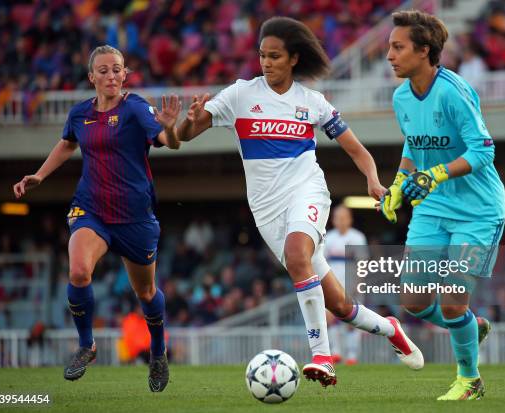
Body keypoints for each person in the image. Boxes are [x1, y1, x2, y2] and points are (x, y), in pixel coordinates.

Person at [177, 16, 423, 387]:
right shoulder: (240, 95)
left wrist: (373, 179)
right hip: (267, 211)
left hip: (307, 192)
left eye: (274, 56)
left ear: (293, 58)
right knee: (340, 306)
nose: (266, 62)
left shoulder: (312, 103)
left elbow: (357, 150)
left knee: (297, 256)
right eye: (262, 55)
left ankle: (322, 358)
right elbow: (185, 135)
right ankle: (391, 329)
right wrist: (184, 122)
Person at [13, 45, 181, 392]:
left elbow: (169, 140)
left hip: (135, 217)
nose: (111, 76)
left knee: (146, 292)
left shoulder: (135, 107)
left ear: (125, 74)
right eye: (103, 70)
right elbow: (66, 144)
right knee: (78, 271)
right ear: (92, 77)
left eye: (116, 69)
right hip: (91, 209)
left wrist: (172, 128)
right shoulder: (79, 114)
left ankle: (158, 350)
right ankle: (86, 345)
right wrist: (40, 175)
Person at [381, 11, 505, 400]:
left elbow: (484, 150)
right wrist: (401, 181)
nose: (389, 55)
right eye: (389, 46)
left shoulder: (454, 91)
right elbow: (413, 143)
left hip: (478, 210)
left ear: (424, 51)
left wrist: (436, 174)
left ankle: (470, 380)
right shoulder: (401, 96)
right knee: (414, 302)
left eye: (398, 47)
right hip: (433, 209)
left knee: (452, 303)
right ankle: (471, 326)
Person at [324, 205, 367, 365]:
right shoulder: (328, 237)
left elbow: (362, 263)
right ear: (333, 220)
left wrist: (358, 283)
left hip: (352, 285)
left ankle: (352, 356)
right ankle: (336, 352)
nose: (341, 221)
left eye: (344, 217)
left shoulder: (357, 237)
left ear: (349, 219)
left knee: (353, 321)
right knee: (330, 318)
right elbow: (322, 263)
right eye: (337, 217)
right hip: (333, 285)